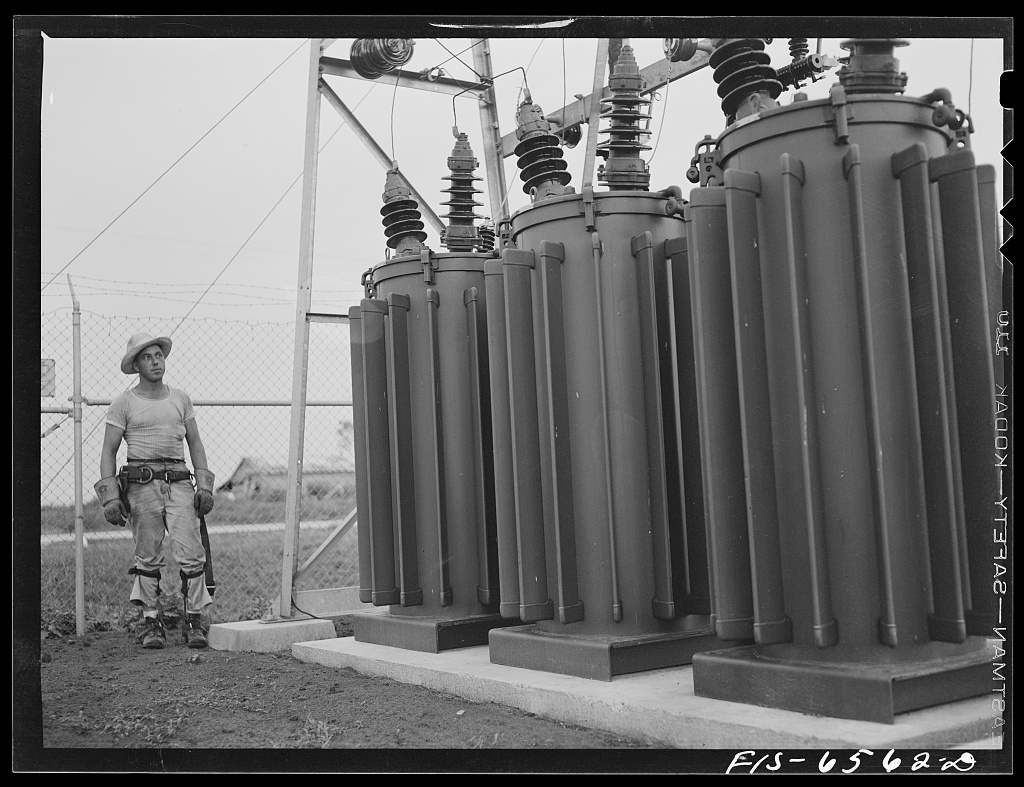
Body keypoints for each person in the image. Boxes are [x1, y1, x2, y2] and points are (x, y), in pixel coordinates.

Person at [94, 332, 216, 649]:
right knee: (147, 555)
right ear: (136, 365)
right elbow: (109, 451)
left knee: (191, 552)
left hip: (179, 484)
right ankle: (152, 623)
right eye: (147, 357)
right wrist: (110, 497)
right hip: (140, 487)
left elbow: (196, 443)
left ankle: (194, 622)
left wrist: (203, 485)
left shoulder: (180, 399)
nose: (155, 361)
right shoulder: (124, 403)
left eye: (158, 355)